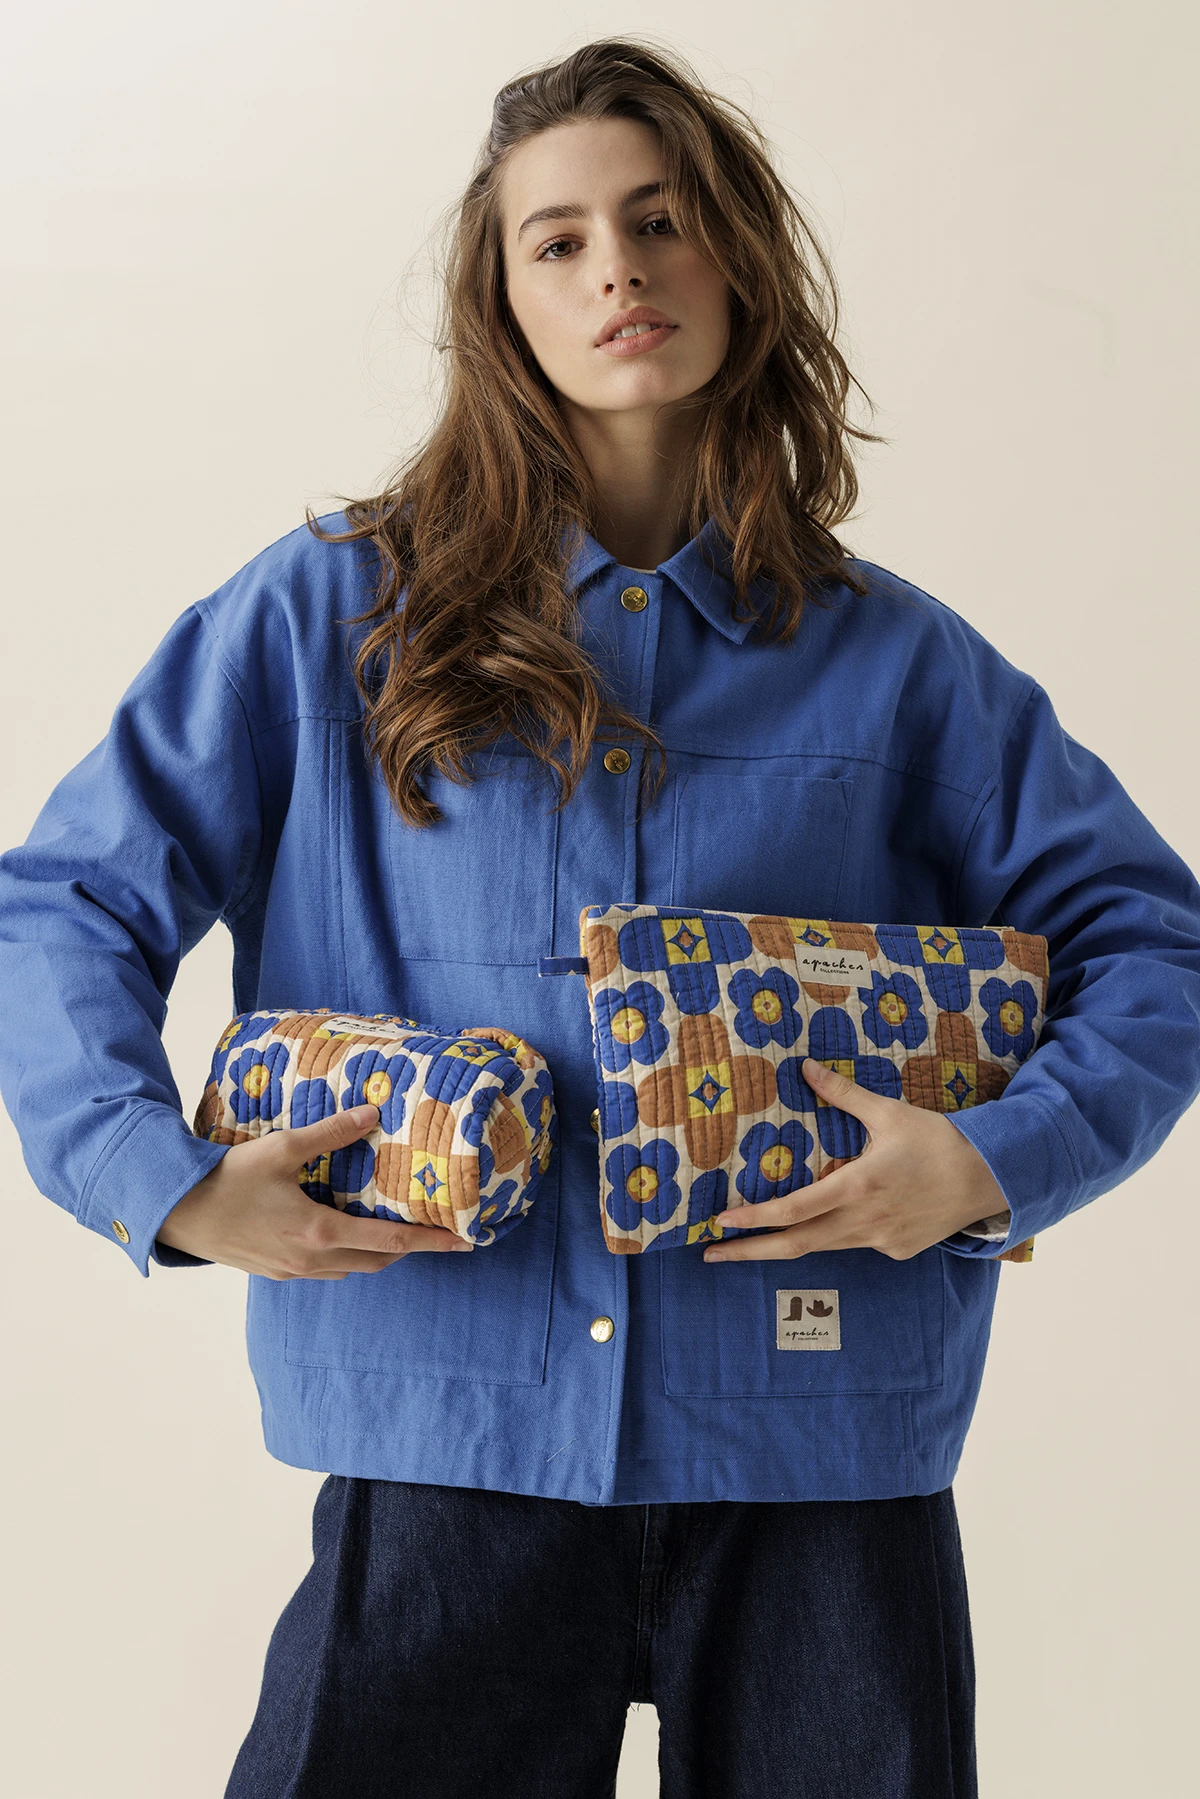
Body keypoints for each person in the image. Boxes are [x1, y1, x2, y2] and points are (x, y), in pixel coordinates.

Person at [2, 35, 1198, 1799]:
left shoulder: (903, 663)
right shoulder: (329, 616)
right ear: (499, 302)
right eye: (555, 241)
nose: (616, 269)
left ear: (741, 255)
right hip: (441, 1447)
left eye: (659, 219)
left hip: (823, 1461)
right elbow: (65, 901)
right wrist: (156, 1181)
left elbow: (1153, 942)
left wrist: (994, 1162)